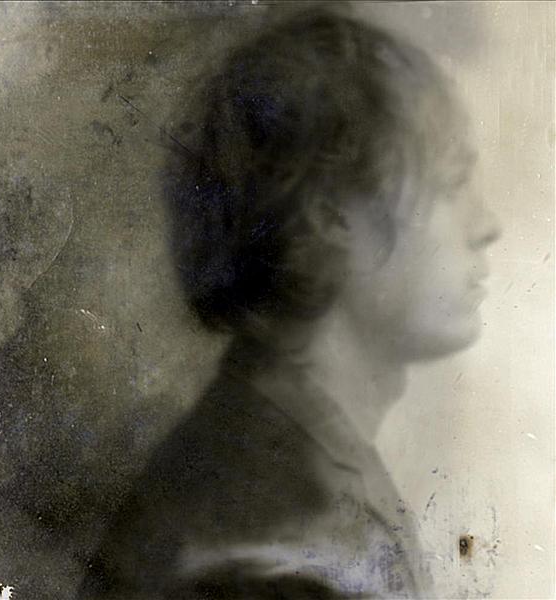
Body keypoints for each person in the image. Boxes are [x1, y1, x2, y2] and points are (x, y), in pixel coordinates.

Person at [77, 7, 501, 599]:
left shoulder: (291, 461)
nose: (487, 226)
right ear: (330, 216)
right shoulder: (275, 541)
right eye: (452, 184)